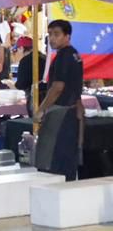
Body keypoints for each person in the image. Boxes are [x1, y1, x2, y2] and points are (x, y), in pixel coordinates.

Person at [37, 19, 85, 180]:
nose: (52, 38)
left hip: (60, 112)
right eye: (50, 34)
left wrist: (42, 108)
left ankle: (56, 194)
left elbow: (58, 87)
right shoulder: (75, 55)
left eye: (56, 34)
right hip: (71, 111)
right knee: (67, 159)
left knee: (52, 159)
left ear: (67, 36)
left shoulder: (64, 56)